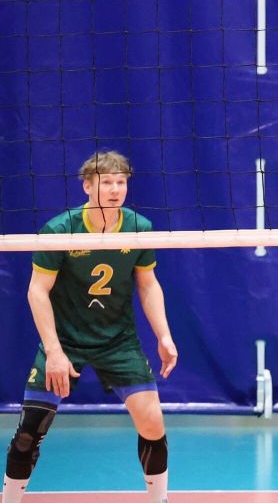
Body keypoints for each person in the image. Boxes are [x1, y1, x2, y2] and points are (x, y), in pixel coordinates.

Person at [3, 151, 177, 503]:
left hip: (118, 341)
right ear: (86, 186)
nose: (115, 190)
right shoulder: (59, 230)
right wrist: (53, 351)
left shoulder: (139, 228)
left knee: (152, 423)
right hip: (64, 340)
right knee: (29, 432)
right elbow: (37, 291)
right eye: (106, 182)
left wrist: (164, 335)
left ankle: (160, 500)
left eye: (121, 182)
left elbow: (148, 285)